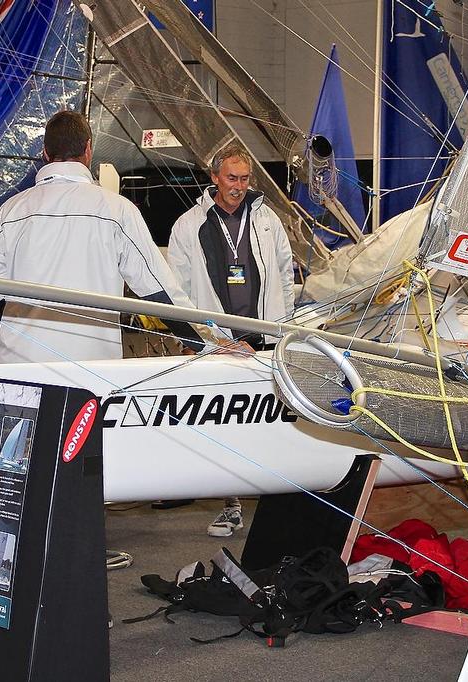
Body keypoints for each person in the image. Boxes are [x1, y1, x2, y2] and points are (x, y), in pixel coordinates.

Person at [0, 111, 204, 365]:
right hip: (91, 373)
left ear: (44, 152)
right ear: (88, 149)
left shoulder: (9, 211)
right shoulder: (116, 210)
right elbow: (160, 291)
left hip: (18, 368)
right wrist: (209, 343)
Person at [168, 142, 295, 537]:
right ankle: (231, 505)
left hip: (263, 336)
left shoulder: (268, 220)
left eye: (244, 179)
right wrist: (203, 339)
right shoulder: (188, 226)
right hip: (218, 342)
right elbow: (179, 289)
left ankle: (277, 504)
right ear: (214, 178)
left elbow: (285, 274)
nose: (238, 186)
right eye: (231, 178)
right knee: (226, 425)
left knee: (270, 421)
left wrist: (282, 329)